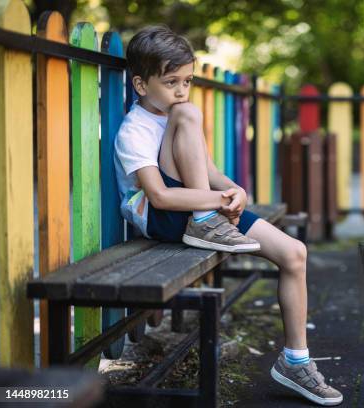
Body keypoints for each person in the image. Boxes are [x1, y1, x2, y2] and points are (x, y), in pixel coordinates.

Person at [113, 25, 343, 406]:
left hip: (204, 213)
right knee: (188, 115)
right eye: (171, 82)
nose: (182, 91)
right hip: (166, 217)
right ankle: (206, 222)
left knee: (294, 253)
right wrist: (214, 202)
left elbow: (208, 169)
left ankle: (294, 362)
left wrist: (233, 189)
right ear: (141, 85)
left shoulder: (176, 116)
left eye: (187, 81)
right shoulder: (135, 129)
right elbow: (160, 195)